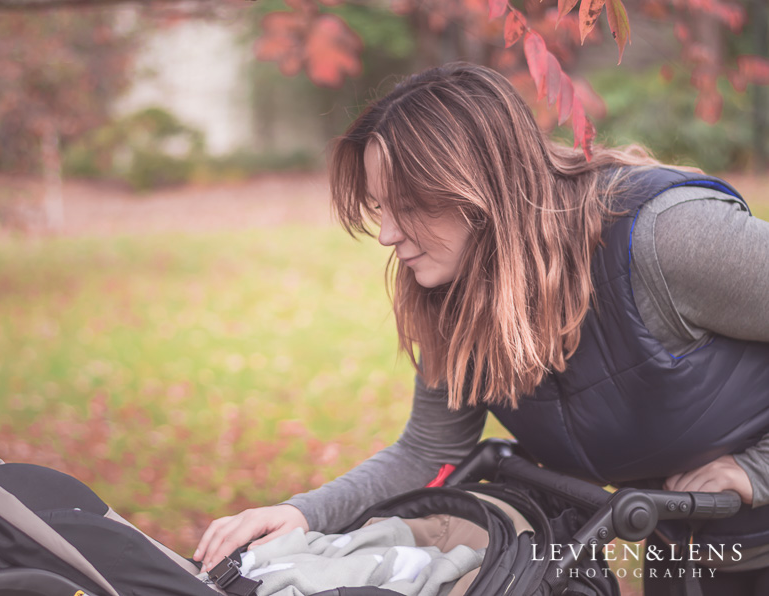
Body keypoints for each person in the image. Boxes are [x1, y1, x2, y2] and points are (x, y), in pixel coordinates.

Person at [193, 63, 769, 594]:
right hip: (689, 547)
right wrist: (301, 515)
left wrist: (756, 468)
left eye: (407, 205)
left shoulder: (665, 239)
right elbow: (430, 447)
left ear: (481, 189)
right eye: (379, 208)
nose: (387, 234)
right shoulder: (448, 290)